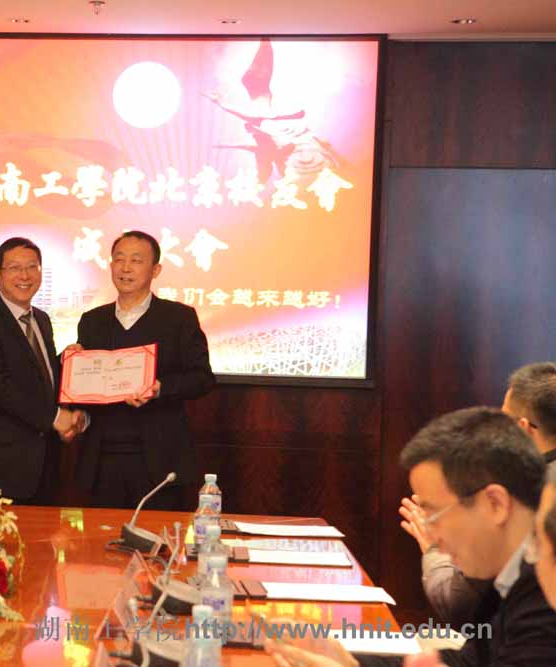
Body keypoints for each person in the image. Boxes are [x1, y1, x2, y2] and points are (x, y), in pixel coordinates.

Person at [267, 406, 556, 667]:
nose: (430, 535)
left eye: (433, 514)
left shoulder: (545, 587)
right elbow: (468, 661)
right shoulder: (512, 573)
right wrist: (349, 660)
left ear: (495, 504)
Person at [399, 362, 556, 624]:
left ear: (496, 504)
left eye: (503, 422)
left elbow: (459, 605)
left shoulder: (526, 495)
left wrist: (434, 548)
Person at [74, 230, 214, 510]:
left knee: (159, 535)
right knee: (102, 534)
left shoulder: (179, 318)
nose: (125, 268)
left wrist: (160, 388)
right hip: (103, 458)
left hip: (159, 459)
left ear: (155, 270)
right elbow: (84, 383)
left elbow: (202, 378)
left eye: (136, 260)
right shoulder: (92, 321)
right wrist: (71, 362)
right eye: (119, 259)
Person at [0, 237, 82, 505]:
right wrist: (55, 417)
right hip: (1, 466)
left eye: (32, 267)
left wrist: (67, 362)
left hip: (44, 463)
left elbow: (36, 375)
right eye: (15, 268)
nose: (25, 276)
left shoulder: (41, 319)